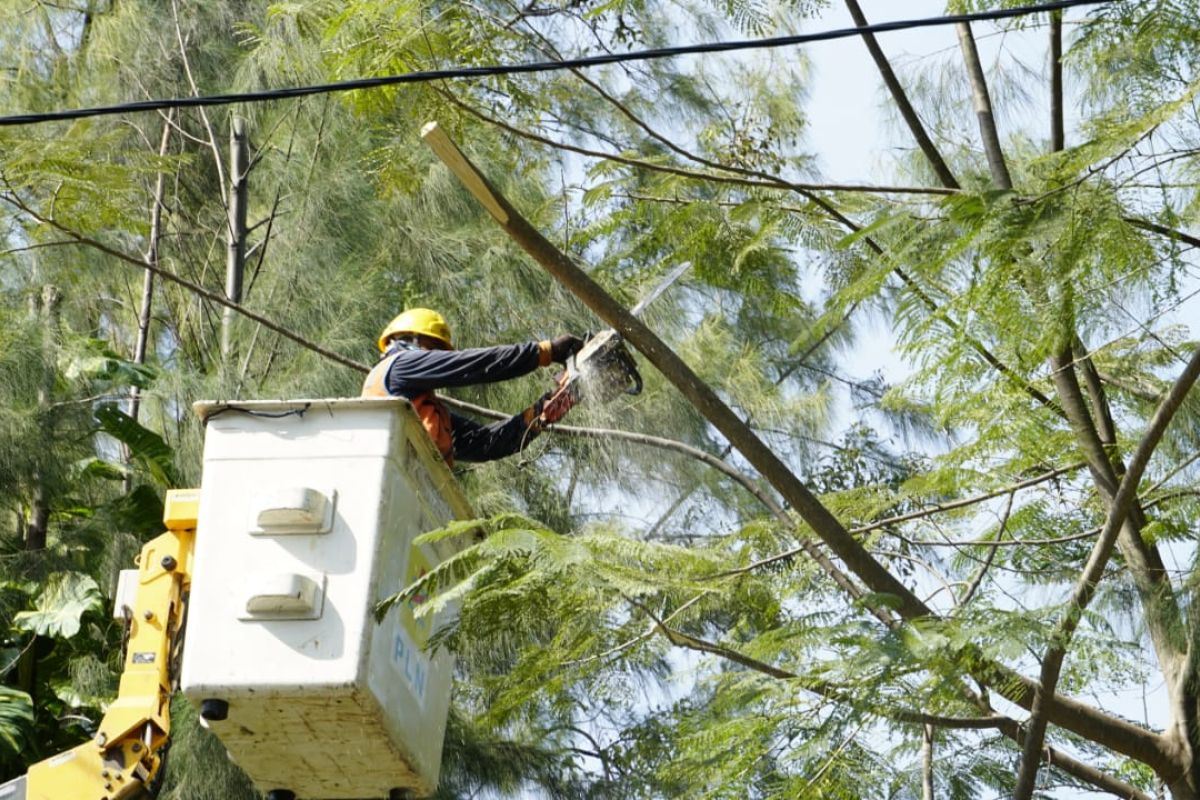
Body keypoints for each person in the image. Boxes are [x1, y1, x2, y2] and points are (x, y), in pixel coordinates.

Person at [362, 308, 584, 464]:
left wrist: (545, 411)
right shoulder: (400, 366)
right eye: (433, 349)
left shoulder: (419, 405)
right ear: (411, 340)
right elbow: (476, 365)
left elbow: (484, 443)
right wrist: (546, 351)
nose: (436, 357)